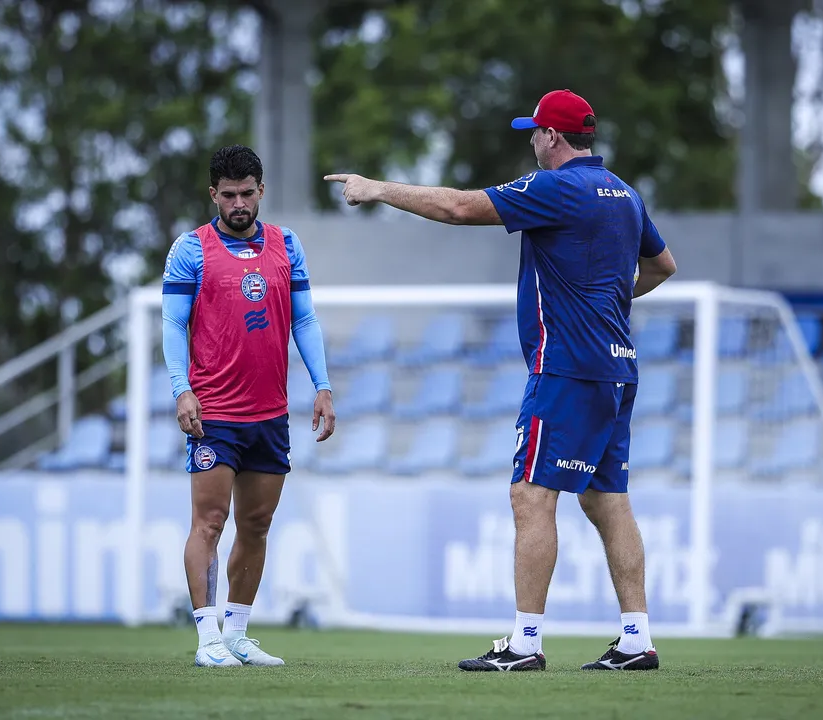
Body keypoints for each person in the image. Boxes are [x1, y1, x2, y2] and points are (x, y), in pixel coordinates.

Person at [326, 89, 677, 671]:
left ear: (554, 137)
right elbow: (663, 266)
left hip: (566, 366)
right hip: (617, 367)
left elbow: (460, 208)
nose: (532, 141)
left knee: (530, 495)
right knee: (608, 500)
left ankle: (525, 644)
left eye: (534, 132)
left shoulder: (556, 187)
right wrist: (610, 303)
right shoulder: (626, 195)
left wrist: (379, 188)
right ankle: (637, 639)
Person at [162, 144, 336, 667]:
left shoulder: (287, 245)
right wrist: (180, 388)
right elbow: (172, 323)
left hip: (270, 412)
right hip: (214, 411)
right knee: (209, 522)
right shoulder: (191, 250)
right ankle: (208, 639)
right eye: (229, 194)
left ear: (261, 190)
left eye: (247, 193)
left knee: (256, 525)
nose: (239, 202)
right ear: (213, 194)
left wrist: (322, 385)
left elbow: (303, 320)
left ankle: (237, 632)